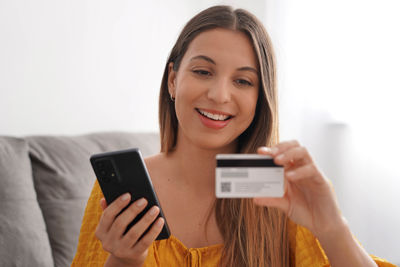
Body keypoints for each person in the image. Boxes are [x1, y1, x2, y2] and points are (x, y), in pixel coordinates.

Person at [71, 5, 395, 267]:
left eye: (243, 81)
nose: (219, 95)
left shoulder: (280, 191)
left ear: (260, 98)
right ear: (173, 80)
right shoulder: (120, 191)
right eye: (203, 72)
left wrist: (331, 226)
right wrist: (124, 261)